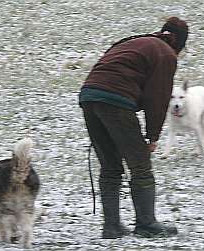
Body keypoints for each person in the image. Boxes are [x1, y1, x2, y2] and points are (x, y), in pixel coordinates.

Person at [79, 17, 189, 239]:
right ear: (178, 42)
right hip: (115, 99)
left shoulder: (136, 42)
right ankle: (146, 224)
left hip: (89, 95)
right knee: (140, 164)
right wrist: (152, 136)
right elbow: (157, 97)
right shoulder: (165, 54)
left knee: (110, 165)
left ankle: (111, 226)